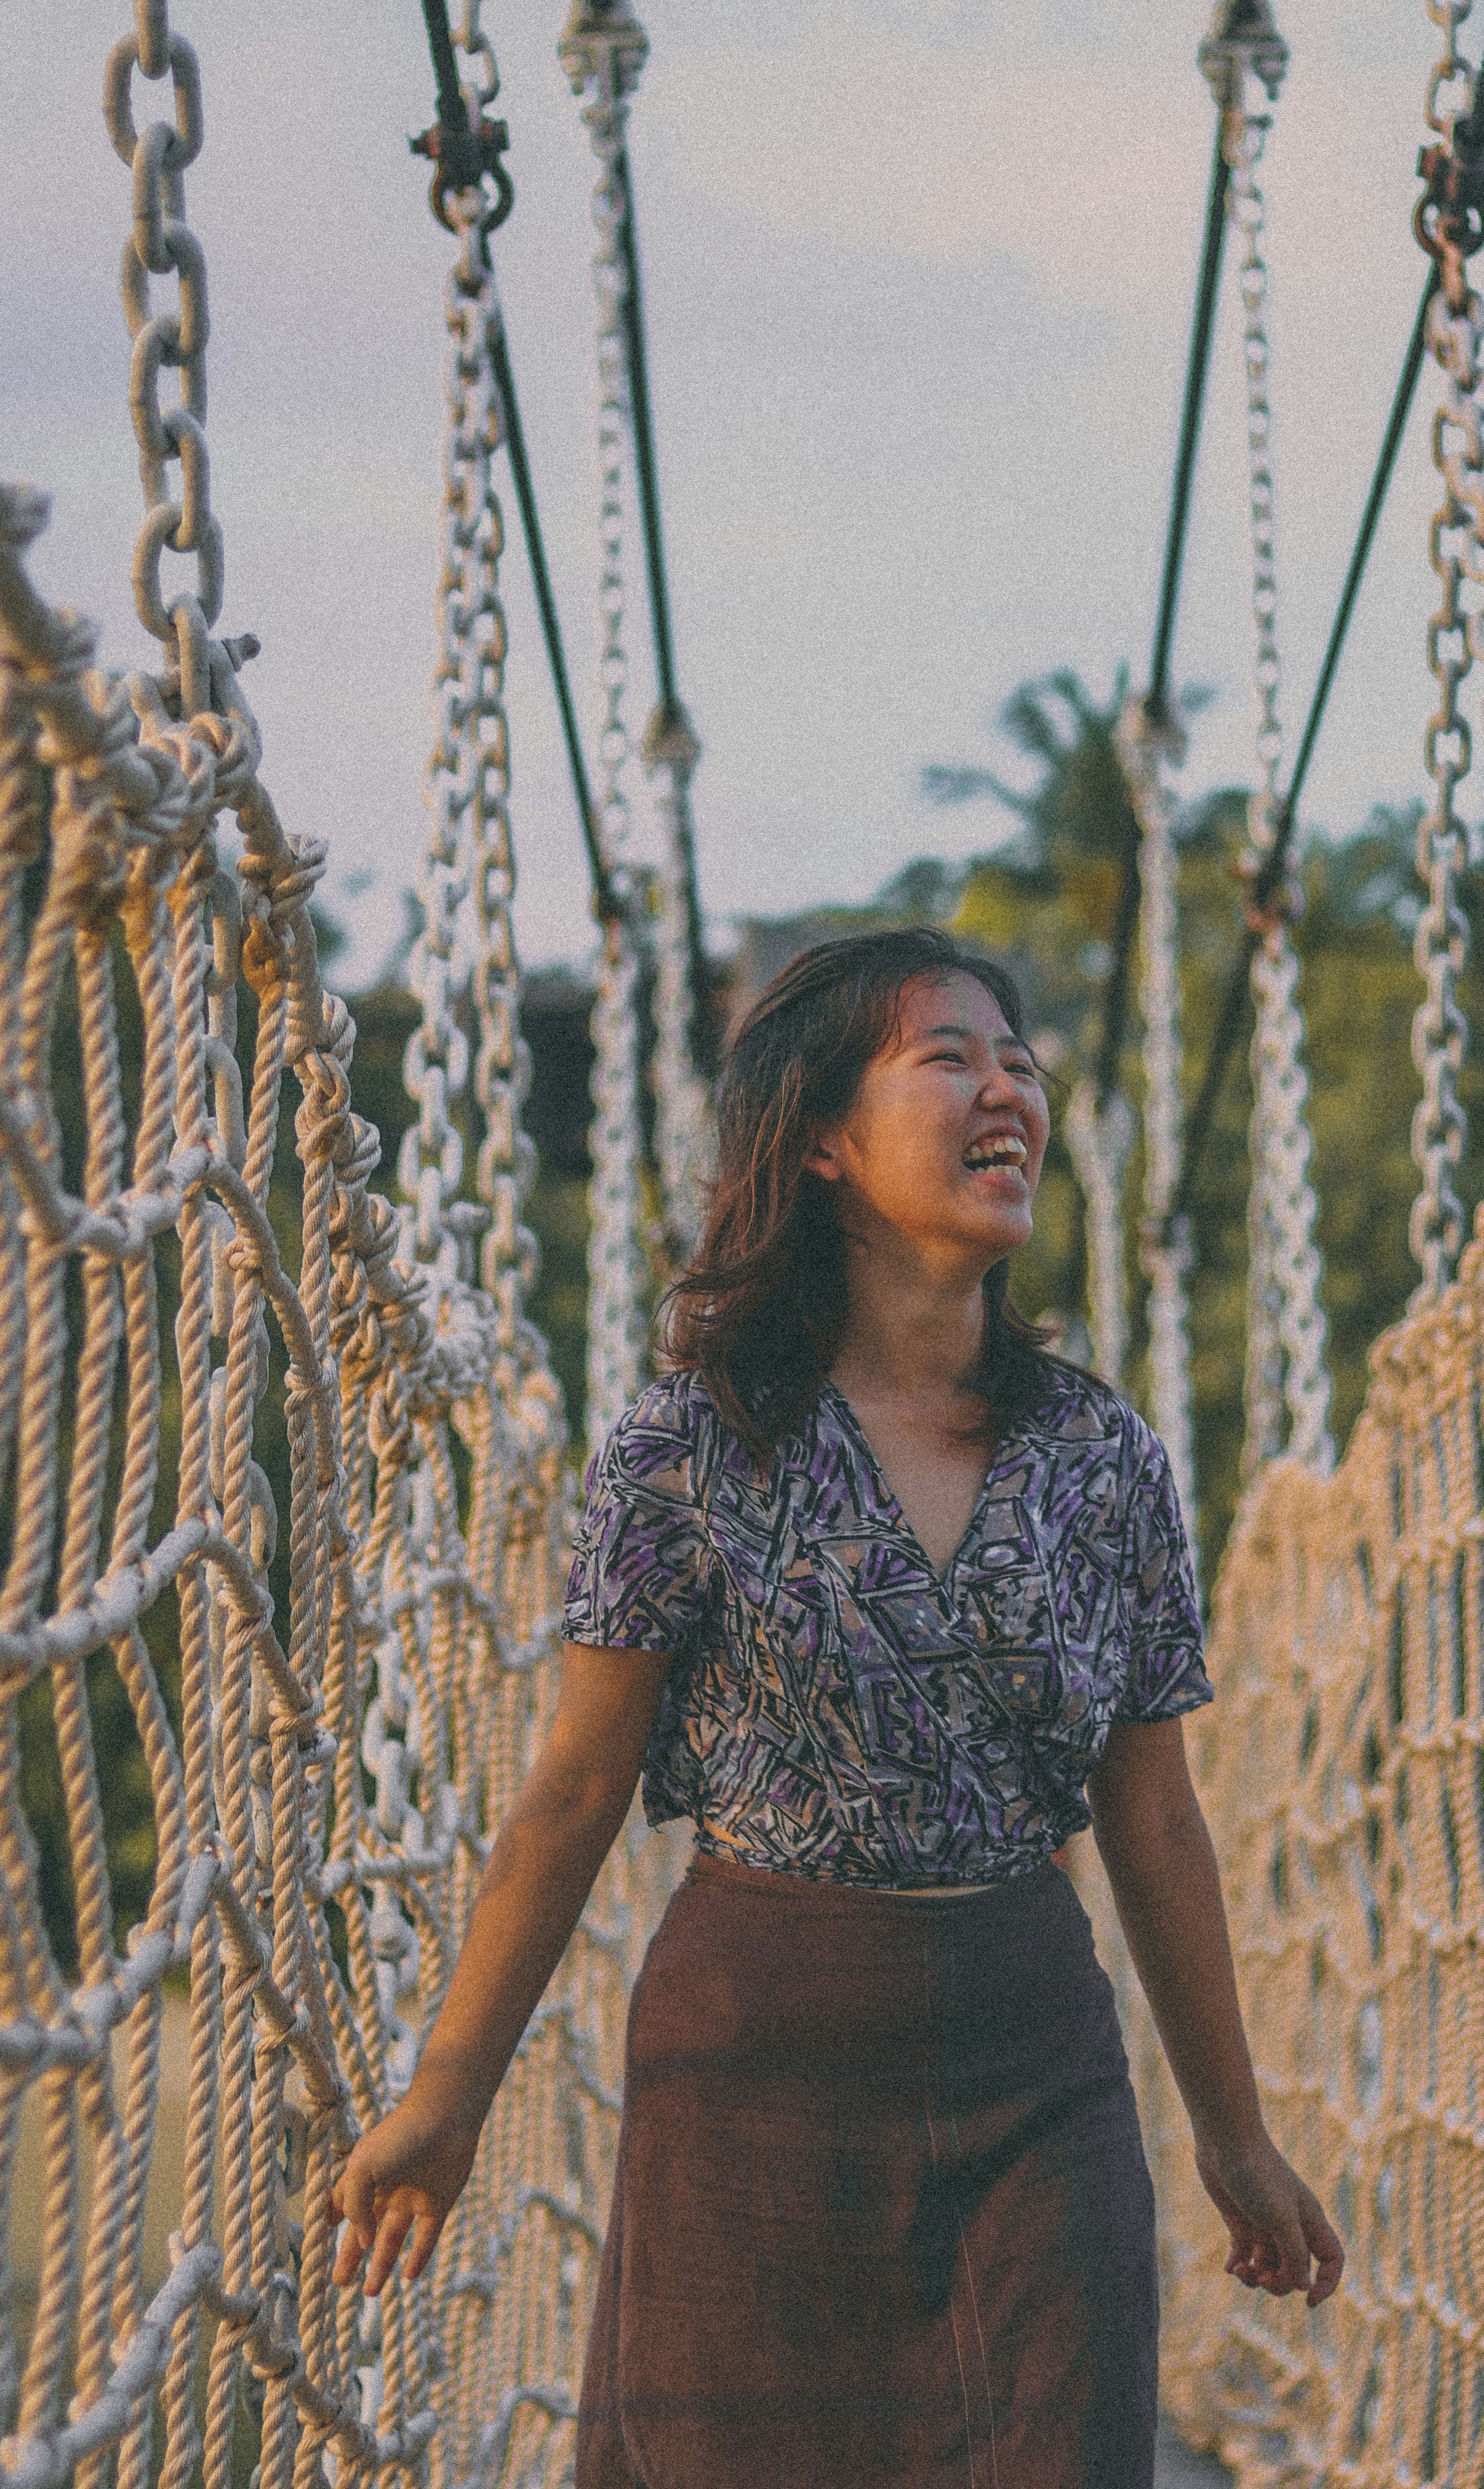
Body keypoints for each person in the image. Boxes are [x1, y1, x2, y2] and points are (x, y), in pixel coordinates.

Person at [332, 926, 1342, 2488]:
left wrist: (1234, 2137)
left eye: (1020, 1060)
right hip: (753, 2070)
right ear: (817, 1139)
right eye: (951, 1055)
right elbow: (570, 1795)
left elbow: (1152, 1813)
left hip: (1034, 2062)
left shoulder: (1104, 1460)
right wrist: (444, 2102)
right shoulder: (687, 1445)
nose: (1007, 1087)